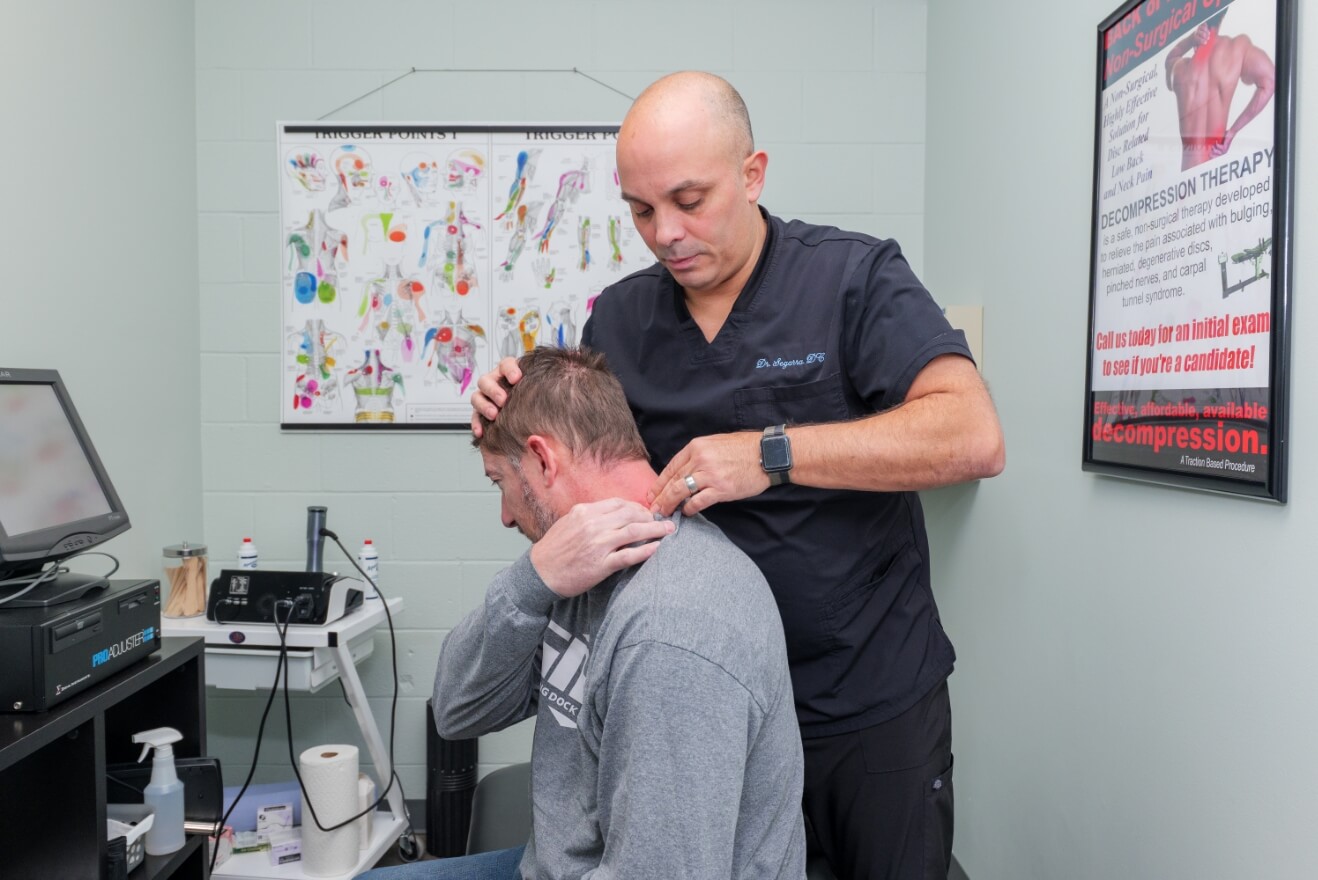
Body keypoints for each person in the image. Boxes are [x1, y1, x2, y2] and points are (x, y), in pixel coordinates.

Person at [473, 71, 1006, 879]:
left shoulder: (851, 279)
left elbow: (972, 434)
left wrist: (771, 452)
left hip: (865, 701)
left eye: (690, 200)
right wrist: (507, 404)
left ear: (754, 173)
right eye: (642, 210)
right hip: (706, 708)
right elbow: (586, 446)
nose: (666, 233)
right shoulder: (621, 317)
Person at [361, 346, 807, 880]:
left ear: (542, 458)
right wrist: (533, 579)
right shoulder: (575, 564)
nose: (505, 515)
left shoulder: (670, 630)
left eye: (499, 482)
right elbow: (458, 711)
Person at [1164, 12, 1276, 170]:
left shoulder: (1179, 68)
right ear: (1224, 13)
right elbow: (1270, 81)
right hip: (1214, 177)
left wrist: (1191, 40)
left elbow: (1169, 59)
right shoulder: (1237, 48)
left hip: (1186, 184)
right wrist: (1232, 132)